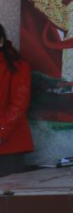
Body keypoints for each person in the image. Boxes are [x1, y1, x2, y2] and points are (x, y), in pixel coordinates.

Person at [0, 23, 34, 177]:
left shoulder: (17, 66)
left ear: (1, 41)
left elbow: (19, 104)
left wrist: (2, 132)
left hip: (8, 146)